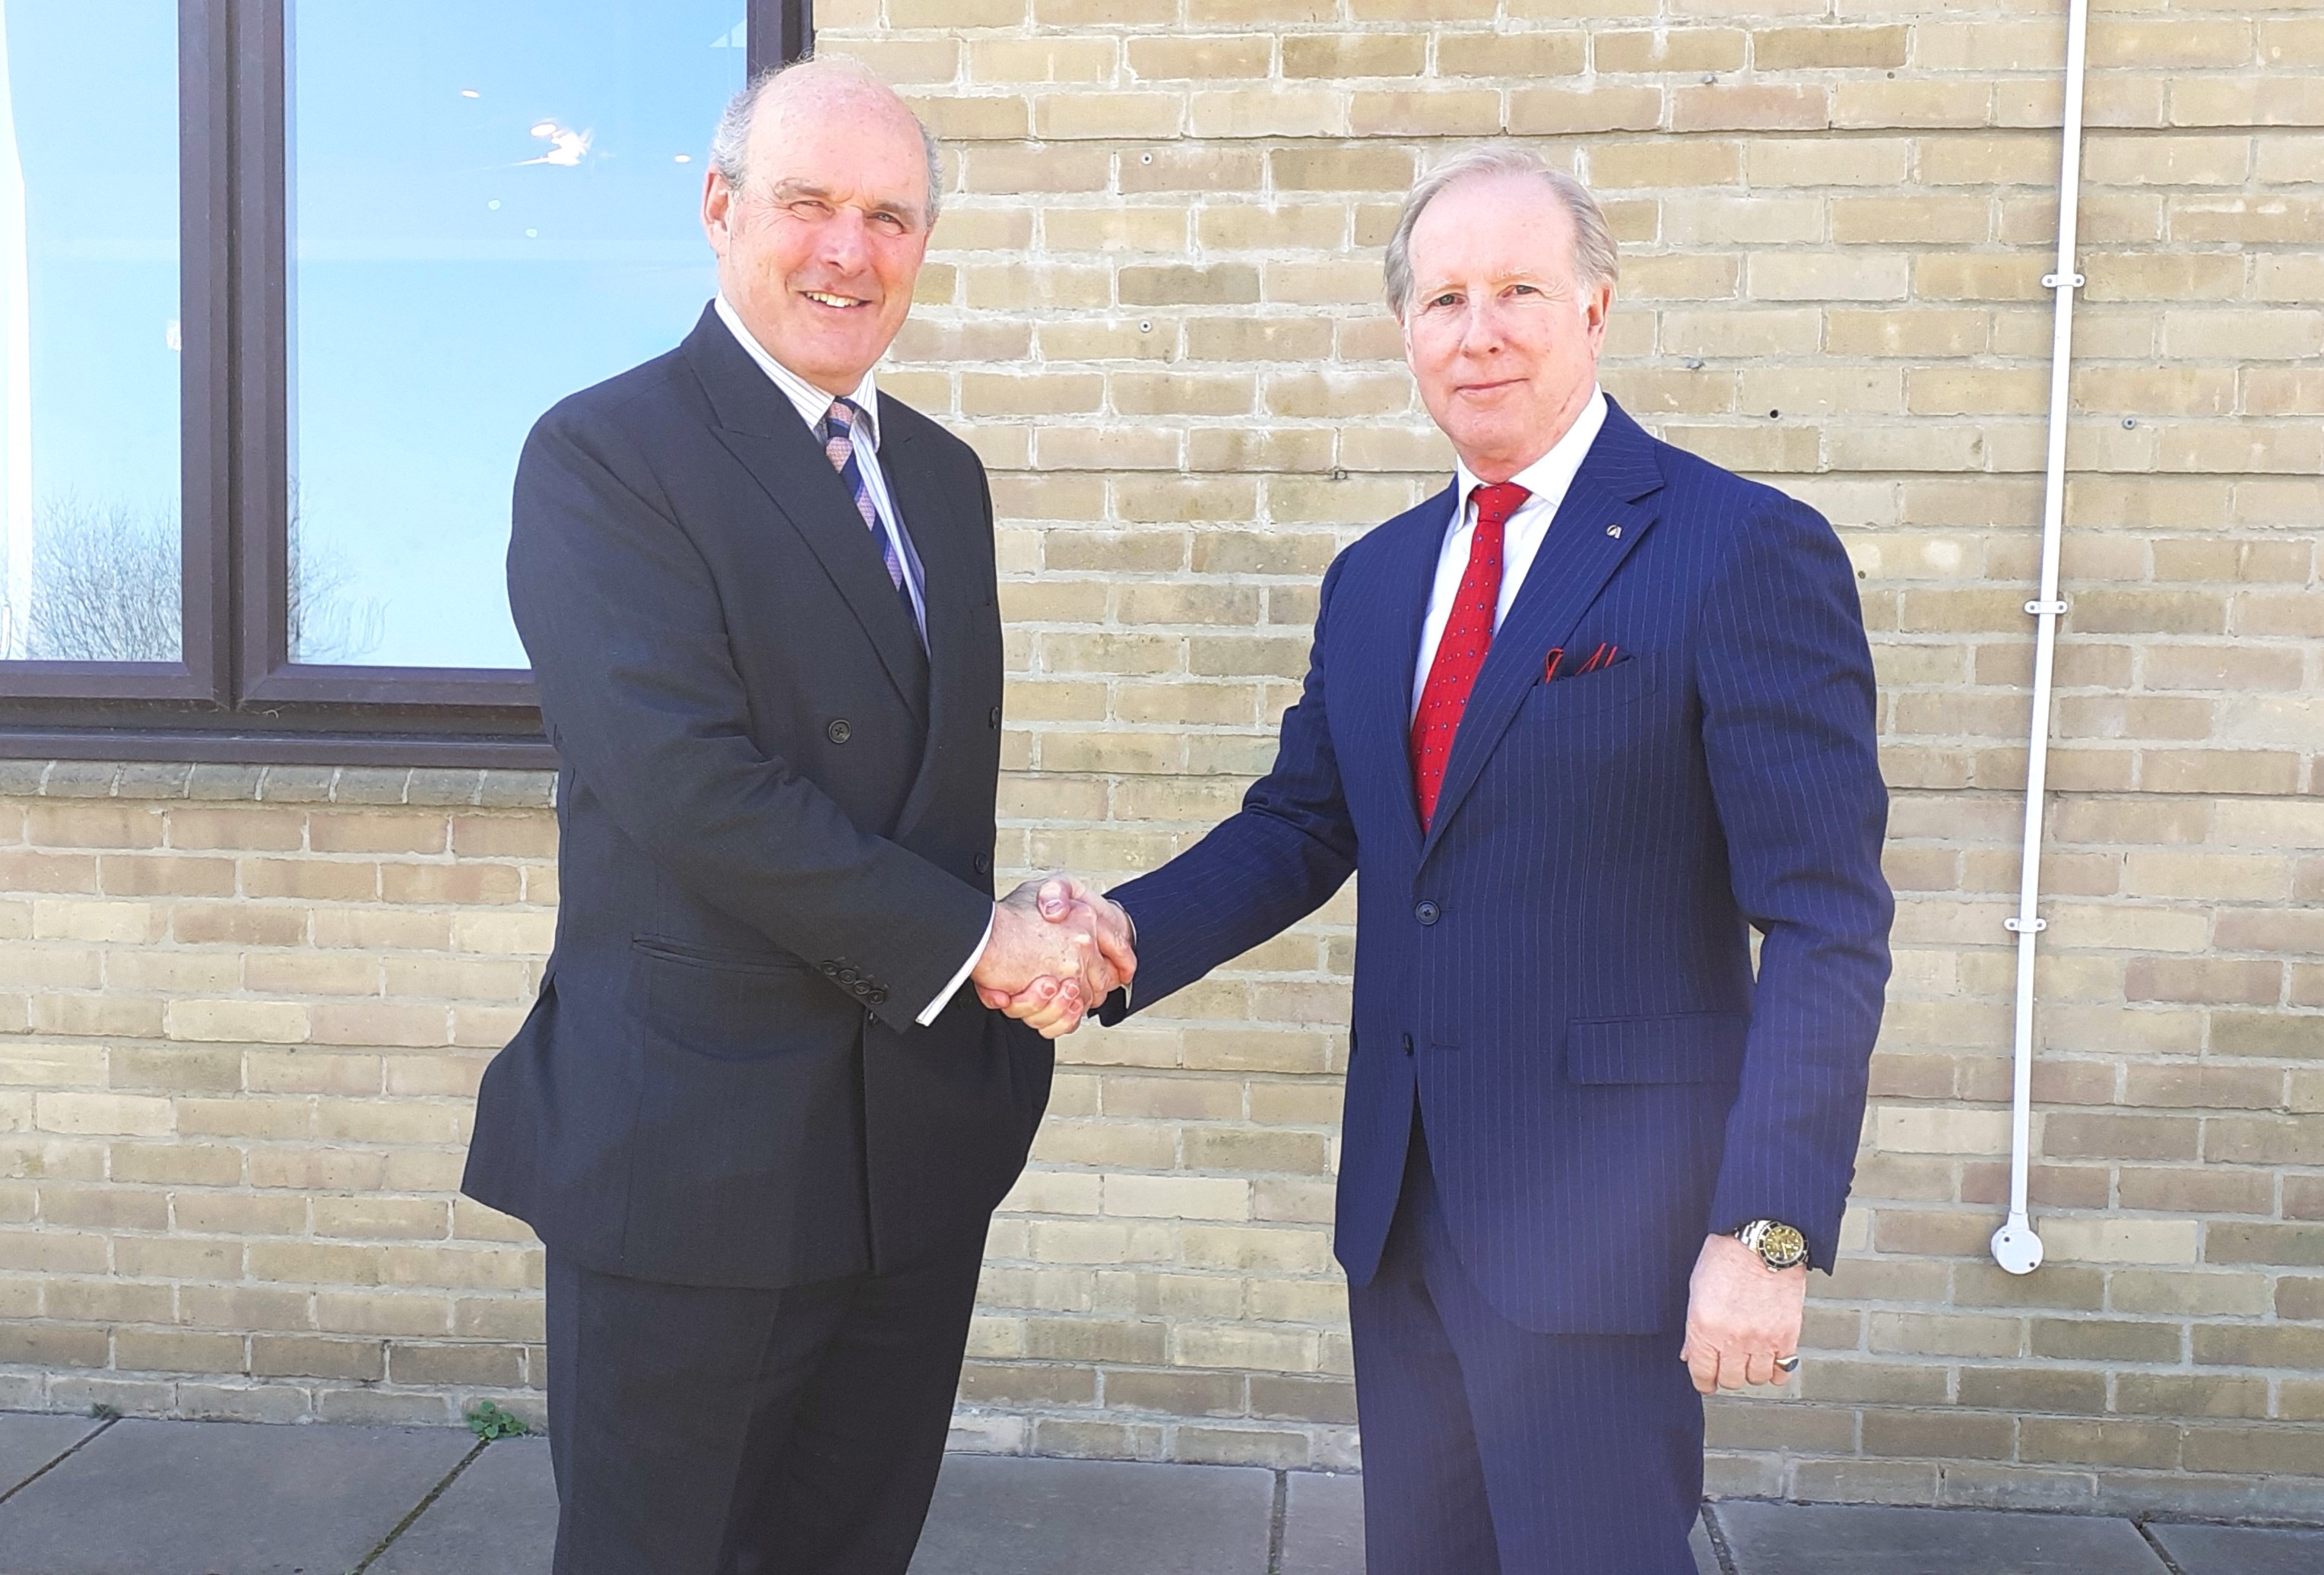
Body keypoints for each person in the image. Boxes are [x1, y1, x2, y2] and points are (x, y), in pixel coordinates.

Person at [994, 149, 1893, 1573]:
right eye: (1442, 299)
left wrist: (1766, 1228)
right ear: (1404, 330)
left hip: (1609, 1236)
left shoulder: (1739, 550)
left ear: (1594, 307)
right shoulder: (1375, 578)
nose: (1478, 332)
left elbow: (1825, 922)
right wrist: (1115, 934)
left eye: (1517, 290)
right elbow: (1301, 824)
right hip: (1403, 1216)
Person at [460, 58, 1129, 1575]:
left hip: (910, 1156)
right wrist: (979, 941)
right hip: (695, 1159)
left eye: (888, 216)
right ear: (719, 209)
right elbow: (687, 785)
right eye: (806, 203)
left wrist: (1022, 918)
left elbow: (911, 793)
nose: (848, 250)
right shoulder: (605, 456)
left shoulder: (941, 480)